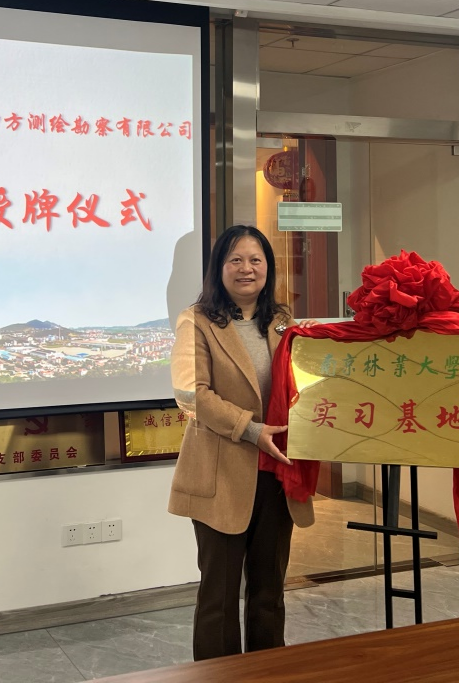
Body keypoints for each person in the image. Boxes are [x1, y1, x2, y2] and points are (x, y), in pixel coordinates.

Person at [168, 225, 315, 660]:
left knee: (269, 593)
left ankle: (267, 673)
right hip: (220, 474)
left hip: (276, 474)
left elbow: (300, 385)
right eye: (235, 260)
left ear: (268, 267)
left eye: (255, 260)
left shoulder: (282, 321)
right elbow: (191, 394)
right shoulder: (197, 320)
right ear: (220, 268)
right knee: (219, 595)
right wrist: (252, 430)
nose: (246, 269)